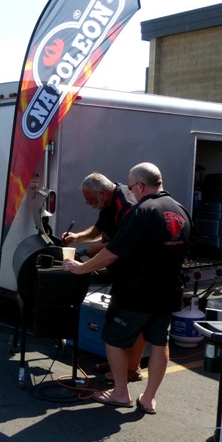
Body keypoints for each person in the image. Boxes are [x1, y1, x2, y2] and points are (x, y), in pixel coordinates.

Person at [63, 163, 191, 415]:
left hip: (137, 291)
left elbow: (113, 251)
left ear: (141, 186)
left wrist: (81, 268)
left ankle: (121, 393)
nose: (130, 190)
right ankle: (149, 399)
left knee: (113, 340)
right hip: (169, 291)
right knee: (159, 343)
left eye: (132, 186)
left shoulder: (141, 211)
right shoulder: (181, 210)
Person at [61, 172, 143, 383]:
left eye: (90, 199)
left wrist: (87, 259)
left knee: (127, 322)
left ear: (103, 194)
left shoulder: (126, 206)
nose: (88, 204)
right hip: (122, 270)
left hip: (136, 271)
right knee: (114, 317)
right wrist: (77, 237)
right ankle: (118, 362)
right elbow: (99, 230)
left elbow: (118, 245)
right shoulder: (108, 203)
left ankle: (131, 369)